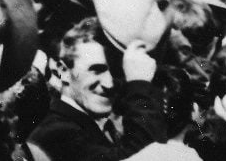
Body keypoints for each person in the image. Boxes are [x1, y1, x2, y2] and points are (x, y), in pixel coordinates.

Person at [28, 17, 167, 161]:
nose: (109, 84)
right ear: (62, 70)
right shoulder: (55, 134)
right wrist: (139, 85)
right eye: (97, 70)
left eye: (118, 73)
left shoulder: (90, 127)